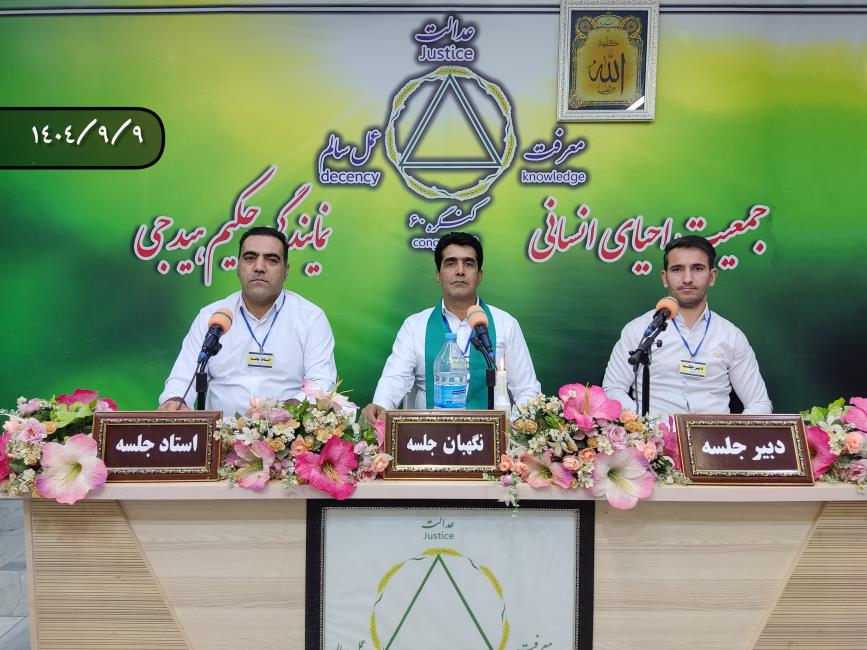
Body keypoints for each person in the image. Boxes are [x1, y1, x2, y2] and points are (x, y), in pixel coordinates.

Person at [360, 232, 541, 423]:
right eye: (451, 263)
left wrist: (517, 427)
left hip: (493, 438)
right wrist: (381, 405)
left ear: (479, 275)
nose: (460, 271)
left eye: (469, 264)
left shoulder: (505, 323)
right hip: (428, 436)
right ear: (438, 275)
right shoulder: (415, 326)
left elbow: (526, 389)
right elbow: (395, 378)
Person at [158, 226, 336, 415]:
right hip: (220, 431)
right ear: (238, 267)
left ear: (286, 271)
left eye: (272, 260)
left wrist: (282, 411)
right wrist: (176, 400)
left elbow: (321, 382)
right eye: (250, 258)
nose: (259, 267)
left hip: (286, 431)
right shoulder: (213, 316)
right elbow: (184, 377)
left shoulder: (310, 318)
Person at [602, 235, 772, 418]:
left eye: (697, 268)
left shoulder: (731, 336)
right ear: (665, 278)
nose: (687, 278)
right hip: (655, 434)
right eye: (677, 269)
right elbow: (613, 388)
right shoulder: (640, 330)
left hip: (713, 436)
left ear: (712, 276)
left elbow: (759, 403)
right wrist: (644, 426)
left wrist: (729, 433)